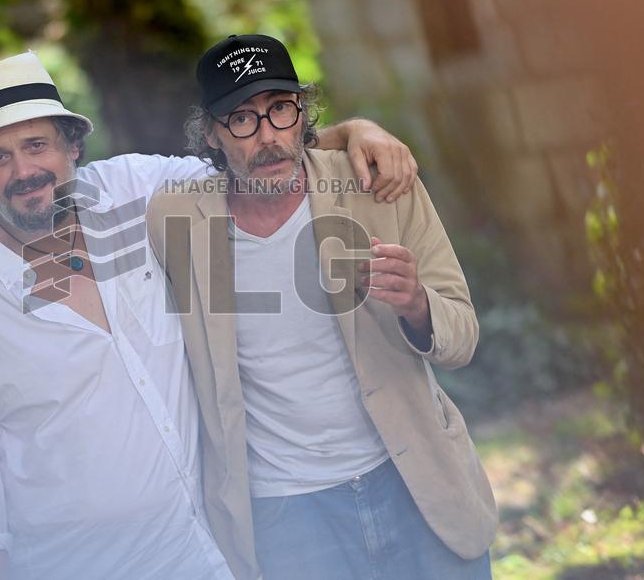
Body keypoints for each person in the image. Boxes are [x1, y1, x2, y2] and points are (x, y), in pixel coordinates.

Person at [0, 49, 419, 579]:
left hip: (209, 553)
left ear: (73, 146)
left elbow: (251, 153)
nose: (24, 171)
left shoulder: (137, 192)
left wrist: (358, 131)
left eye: (36, 145)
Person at [146, 34, 497, 580]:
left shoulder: (376, 187)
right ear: (212, 133)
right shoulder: (178, 220)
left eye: (279, 110)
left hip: (415, 481)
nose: (266, 136)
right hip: (287, 514)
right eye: (241, 118)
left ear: (301, 112)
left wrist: (418, 305)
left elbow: (463, 335)